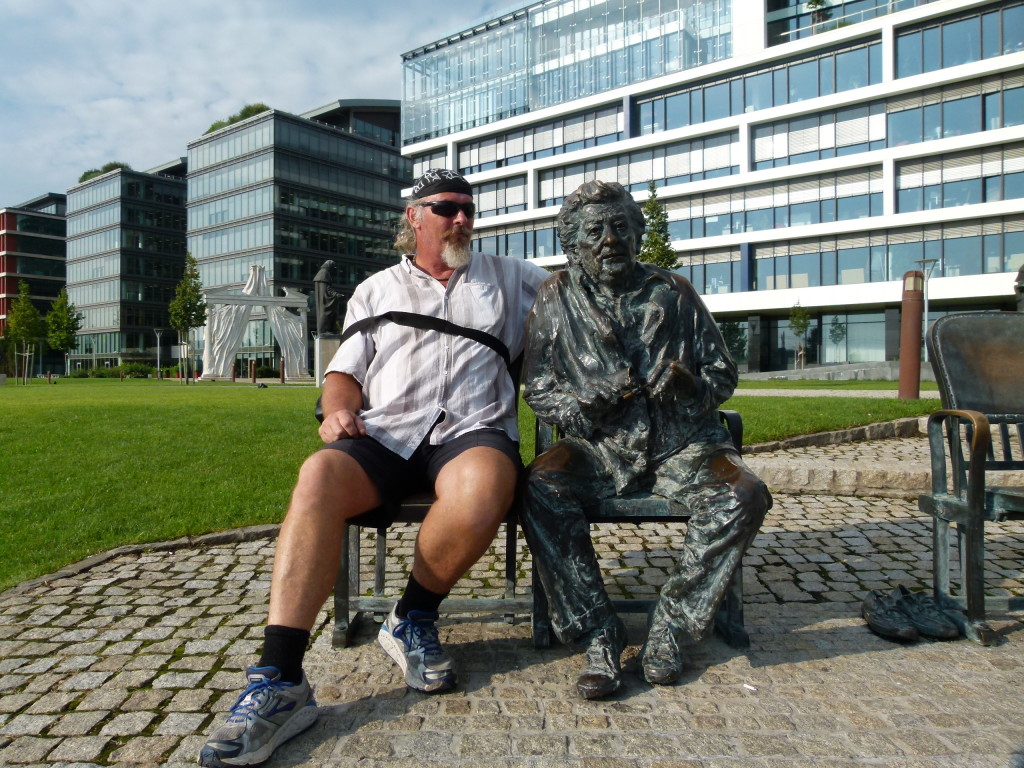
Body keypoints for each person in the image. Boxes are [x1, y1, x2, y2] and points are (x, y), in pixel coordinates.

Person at [200, 169, 547, 767]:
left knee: (487, 483)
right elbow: (344, 373)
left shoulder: (512, 278)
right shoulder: (377, 288)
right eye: (446, 208)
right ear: (414, 217)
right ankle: (281, 680)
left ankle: (411, 616)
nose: (462, 218)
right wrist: (335, 413)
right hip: (385, 430)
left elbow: (590, 292)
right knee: (318, 476)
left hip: (471, 430)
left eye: (469, 208)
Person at [520, 179, 771, 700]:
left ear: (637, 235)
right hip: (598, 445)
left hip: (682, 444)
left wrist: (692, 386)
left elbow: (722, 372)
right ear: (573, 243)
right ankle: (597, 630)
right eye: (595, 231)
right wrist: (584, 405)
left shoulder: (673, 291)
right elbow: (539, 386)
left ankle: (672, 625)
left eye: (620, 227)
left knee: (743, 493)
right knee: (541, 485)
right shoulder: (555, 295)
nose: (610, 239)